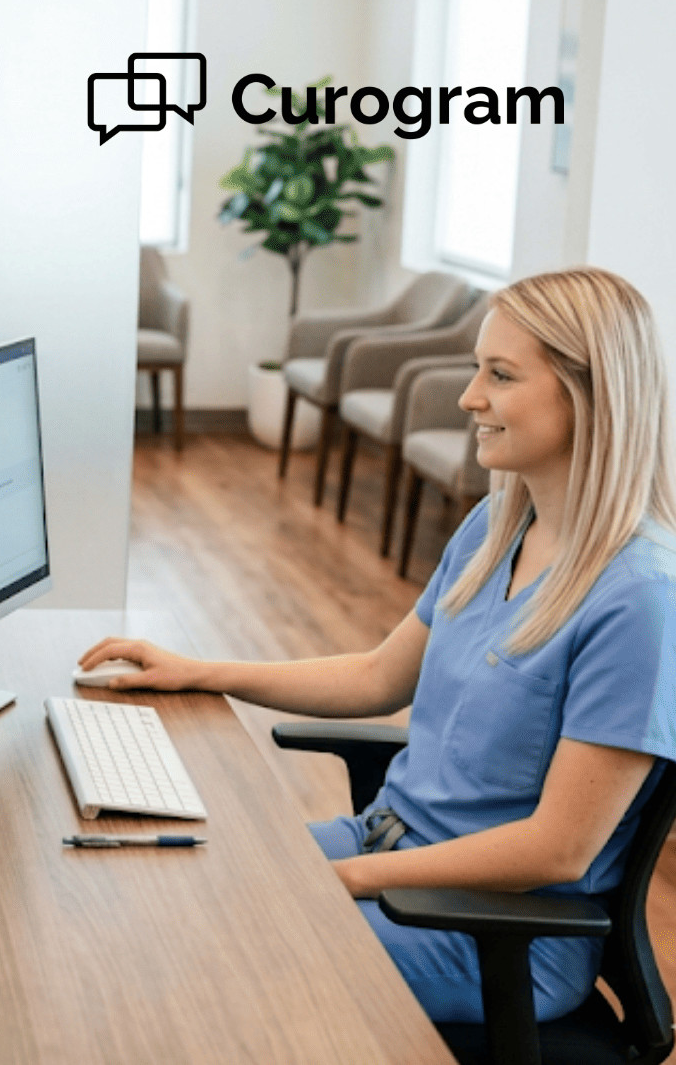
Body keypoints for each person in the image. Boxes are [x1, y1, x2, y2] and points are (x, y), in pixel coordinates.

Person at [78, 267, 676, 1026]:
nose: (470, 399)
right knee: (178, 886)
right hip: (385, 844)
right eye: (474, 370)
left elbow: (558, 849)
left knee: (214, 951)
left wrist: (354, 878)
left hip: (491, 931)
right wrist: (200, 670)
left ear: (588, 395)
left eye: (500, 374)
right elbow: (376, 676)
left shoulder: (640, 597)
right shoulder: (497, 530)